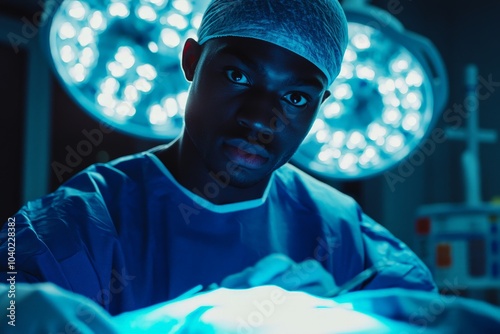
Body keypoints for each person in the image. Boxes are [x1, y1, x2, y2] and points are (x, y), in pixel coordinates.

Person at [0, 0, 436, 331]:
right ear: (192, 60)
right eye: (238, 76)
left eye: (296, 98)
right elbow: (13, 311)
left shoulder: (345, 235)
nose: (261, 119)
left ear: (321, 105)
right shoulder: (77, 223)